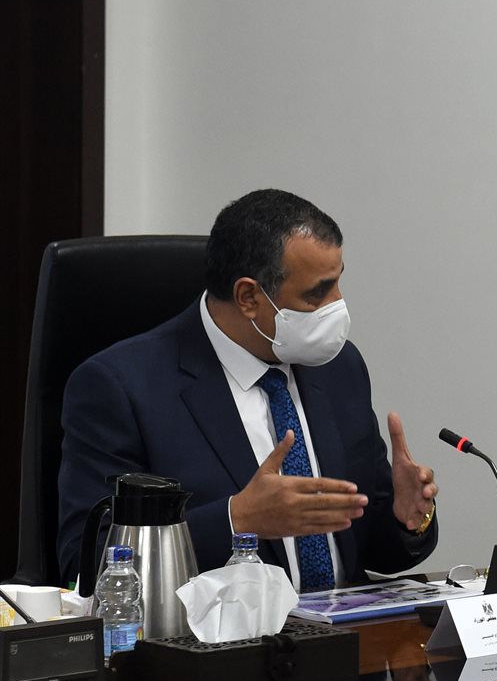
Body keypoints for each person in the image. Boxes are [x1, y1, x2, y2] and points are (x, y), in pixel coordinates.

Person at [57, 189, 439, 590]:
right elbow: (87, 567)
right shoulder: (120, 388)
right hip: (216, 630)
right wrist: (236, 520)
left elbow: (372, 548)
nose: (337, 305)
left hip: (347, 623)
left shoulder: (339, 367)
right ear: (249, 297)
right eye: (317, 293)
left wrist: (406, 517)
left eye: (337, 283)